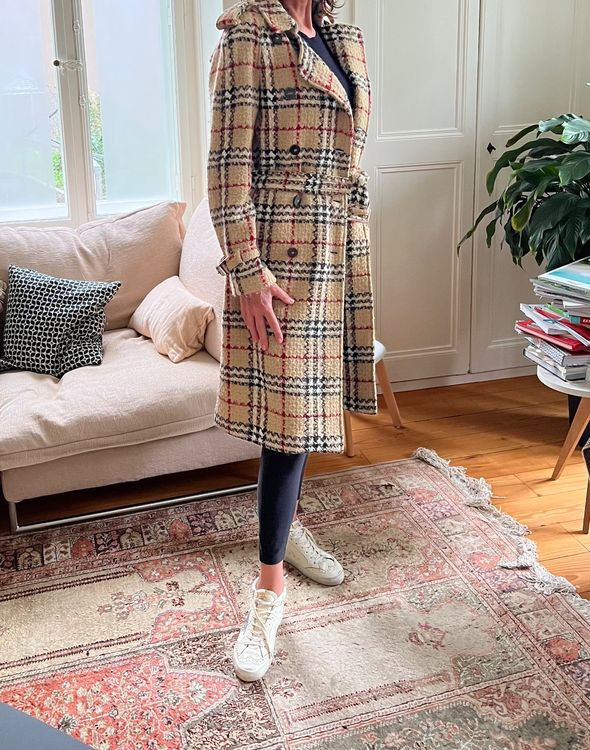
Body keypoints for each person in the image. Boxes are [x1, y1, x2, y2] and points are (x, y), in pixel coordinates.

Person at [207, 0, 376, 682]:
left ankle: (289, 532)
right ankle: (267, 593)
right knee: (287, 428)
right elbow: (227, 170)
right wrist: (248, 274)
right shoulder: (249, 34)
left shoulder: (341, 35)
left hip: (338, 247)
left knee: (305, 421)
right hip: (282, 260)